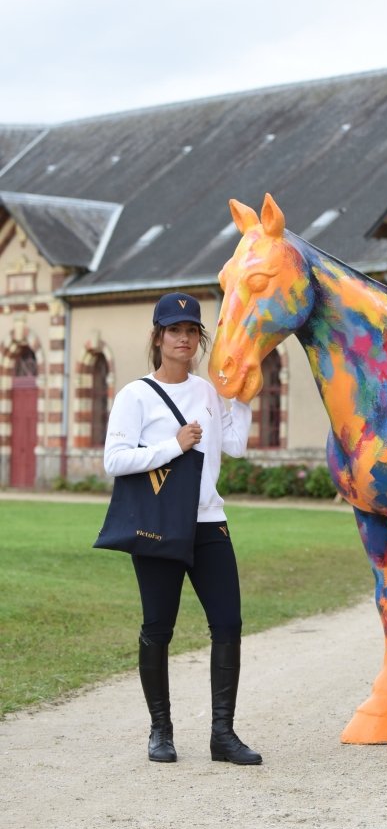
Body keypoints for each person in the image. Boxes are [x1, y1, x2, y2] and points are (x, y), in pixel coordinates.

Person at [104, 292, 262, 765]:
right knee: (158, 628)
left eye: (191, 331)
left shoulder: (208, 391)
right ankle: (161, 731)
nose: (184, 339)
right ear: (158, 337)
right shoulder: (134, 396)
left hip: (209, 522)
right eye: (174, 330)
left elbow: (232, 446)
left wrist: (245, 401)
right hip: (157, 527)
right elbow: (115, 460)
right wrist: (172, 446)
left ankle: (222, 735)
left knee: (228, 624)